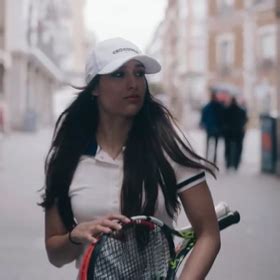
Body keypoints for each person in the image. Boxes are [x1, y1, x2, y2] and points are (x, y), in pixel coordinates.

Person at [39, 37, 220, 279]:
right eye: (118, 74)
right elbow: (55, 255)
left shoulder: (169, 144)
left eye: (139, 73)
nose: (133, 83)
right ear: (94, 87)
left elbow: (208, 233)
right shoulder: (66, 157)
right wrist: (76, 235)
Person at [200, 90, 224, 164]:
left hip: (210, 128)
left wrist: (202, 123)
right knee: (215, 146)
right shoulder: (219, 106)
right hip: (216, 128)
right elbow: (222, 117)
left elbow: (203, 116)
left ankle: (208, 160)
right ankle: (213, 160)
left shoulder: (207, 106)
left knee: (208, 145)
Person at [223, 96, 248, 170]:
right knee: (238, 148)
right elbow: (245, 120)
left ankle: (228, 163)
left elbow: (223, 120)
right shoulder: (241, 110)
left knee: (227, 147)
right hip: (238, 132)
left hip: (229, 132)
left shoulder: (226, 110)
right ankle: (236, 164)